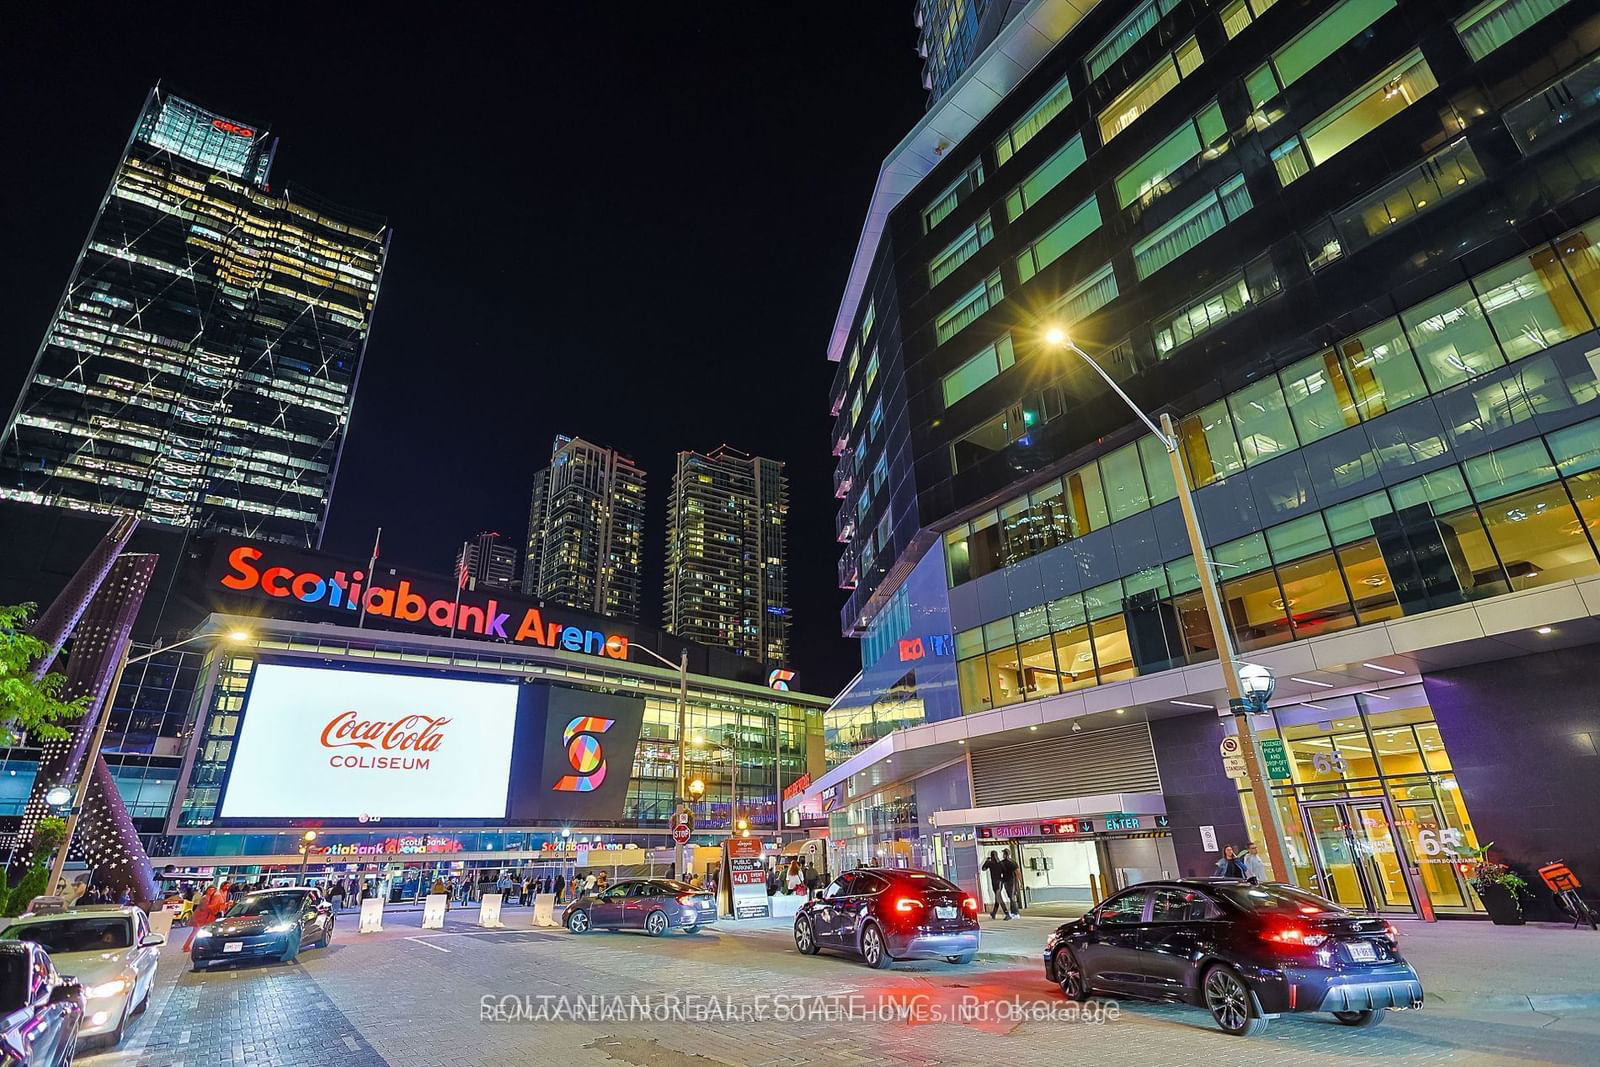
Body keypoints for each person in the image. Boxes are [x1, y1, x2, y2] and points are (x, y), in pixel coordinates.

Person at [981, 851, 1011, 920]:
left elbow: (983, 868)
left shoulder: (990, 863)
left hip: (995, 883)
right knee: (997, 898)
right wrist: (1003, 880)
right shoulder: (1000, 863)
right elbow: (1005, 873)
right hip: (999, 882)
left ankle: (1007, 914)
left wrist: (986, 860)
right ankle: (993, 913)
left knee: (999, 898)